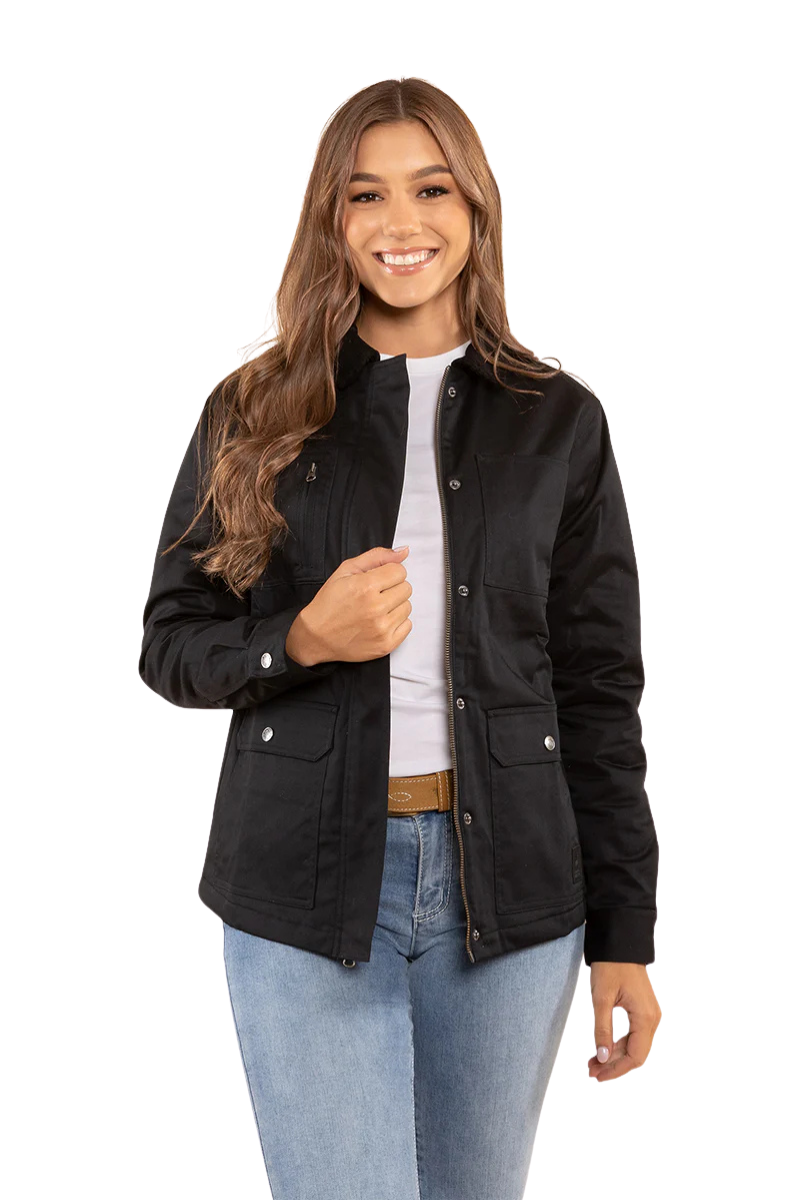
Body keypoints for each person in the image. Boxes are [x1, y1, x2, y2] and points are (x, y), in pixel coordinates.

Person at [139, 77, 662, 1200]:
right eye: (364, 194)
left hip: (510, 893)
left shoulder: (558, 421)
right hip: (303, 884)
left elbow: (597, 690)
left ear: (475, 207)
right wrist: (299, 639)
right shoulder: (255, 410)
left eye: (431, 189)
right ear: (331, 218)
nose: (399, 222)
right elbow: (172, 642)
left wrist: (625, 929)